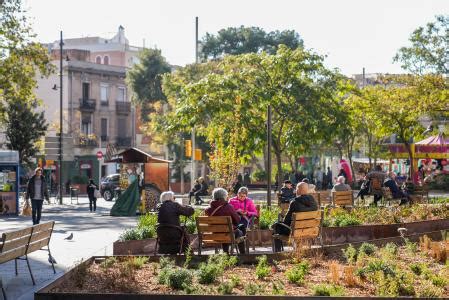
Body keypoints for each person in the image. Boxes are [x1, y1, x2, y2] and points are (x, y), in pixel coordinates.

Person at [271, 182, 318, 252]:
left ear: (299, 190)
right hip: (309, 230)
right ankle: (298, 250)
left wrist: (277, 223)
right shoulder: (314, 203)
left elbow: (286, 221)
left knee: (276, 226)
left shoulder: (294, 203)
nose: (295, 190)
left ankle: (277, 253)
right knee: (296, 227)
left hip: (294, 231)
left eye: (296, 189)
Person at [205, 188, 246, 254]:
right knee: (239, 231)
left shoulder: (207, 209)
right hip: (228, 234)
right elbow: (237, 221)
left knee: (226, 230)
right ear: (224, 197)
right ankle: (243, 255)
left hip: (214, 234)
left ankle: (225, 254)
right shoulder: (229, 207)